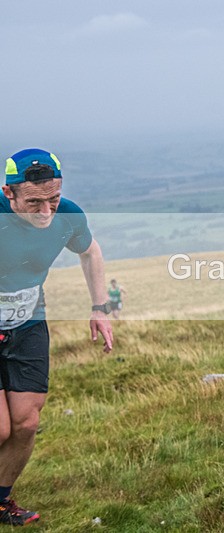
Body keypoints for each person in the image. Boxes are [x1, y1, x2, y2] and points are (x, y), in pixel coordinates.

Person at [0, 148, 113, 526]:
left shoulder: (69, 216)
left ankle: (0, 500)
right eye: (34, 202)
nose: (46, 211)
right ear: (8, 193)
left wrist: (100, 308)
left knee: (26, 423)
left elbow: (90, 251)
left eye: (54, 198)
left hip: (29, 324)